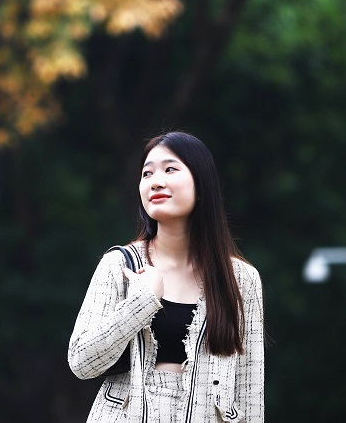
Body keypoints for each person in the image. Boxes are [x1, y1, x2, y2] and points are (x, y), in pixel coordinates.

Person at [68, 132, 264, 423]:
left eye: (170, 169)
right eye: (147, 173)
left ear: (202, 183)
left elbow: (250, 389)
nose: (156, 181)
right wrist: (142, 302)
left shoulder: (241, 279)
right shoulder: (120, 266)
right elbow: (81, 361)